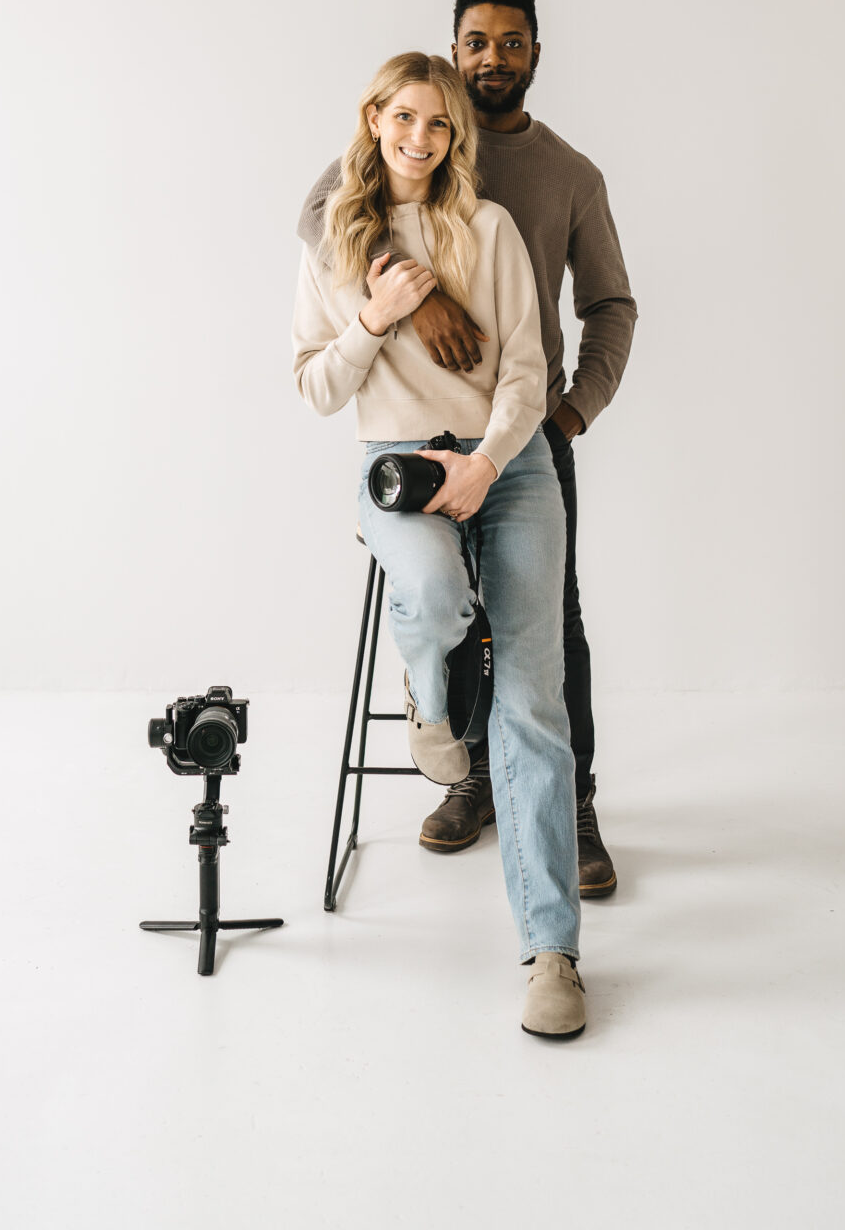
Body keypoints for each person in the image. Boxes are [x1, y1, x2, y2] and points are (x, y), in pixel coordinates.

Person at [298, 0, 636, 895]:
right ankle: (474, 781)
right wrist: (419, 293)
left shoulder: (568, 175)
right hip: (410, 430)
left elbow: (609, 304)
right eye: (476, 42)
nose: (492, 57)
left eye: (511, 42)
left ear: (535, 54)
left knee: (548, 626)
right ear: (454, 54)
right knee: (454, 608)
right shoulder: (413, 131)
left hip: (524, 428)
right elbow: (323, 218)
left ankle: (572, 807)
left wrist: (571, 411)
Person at [292, 50, 588, 1039]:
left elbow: (526, 369)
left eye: (440, 125)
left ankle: (552, 953)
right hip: (398, 464)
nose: (421, 139)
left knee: (533, 707)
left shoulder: (489, 228)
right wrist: (374, 318)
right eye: (405, 117)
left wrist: (490, 464)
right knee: (434, 596)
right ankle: (425, 688)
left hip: (509, 469)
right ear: (375, 118)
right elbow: (318, 388)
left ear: (456, 137)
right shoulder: (338, 241)